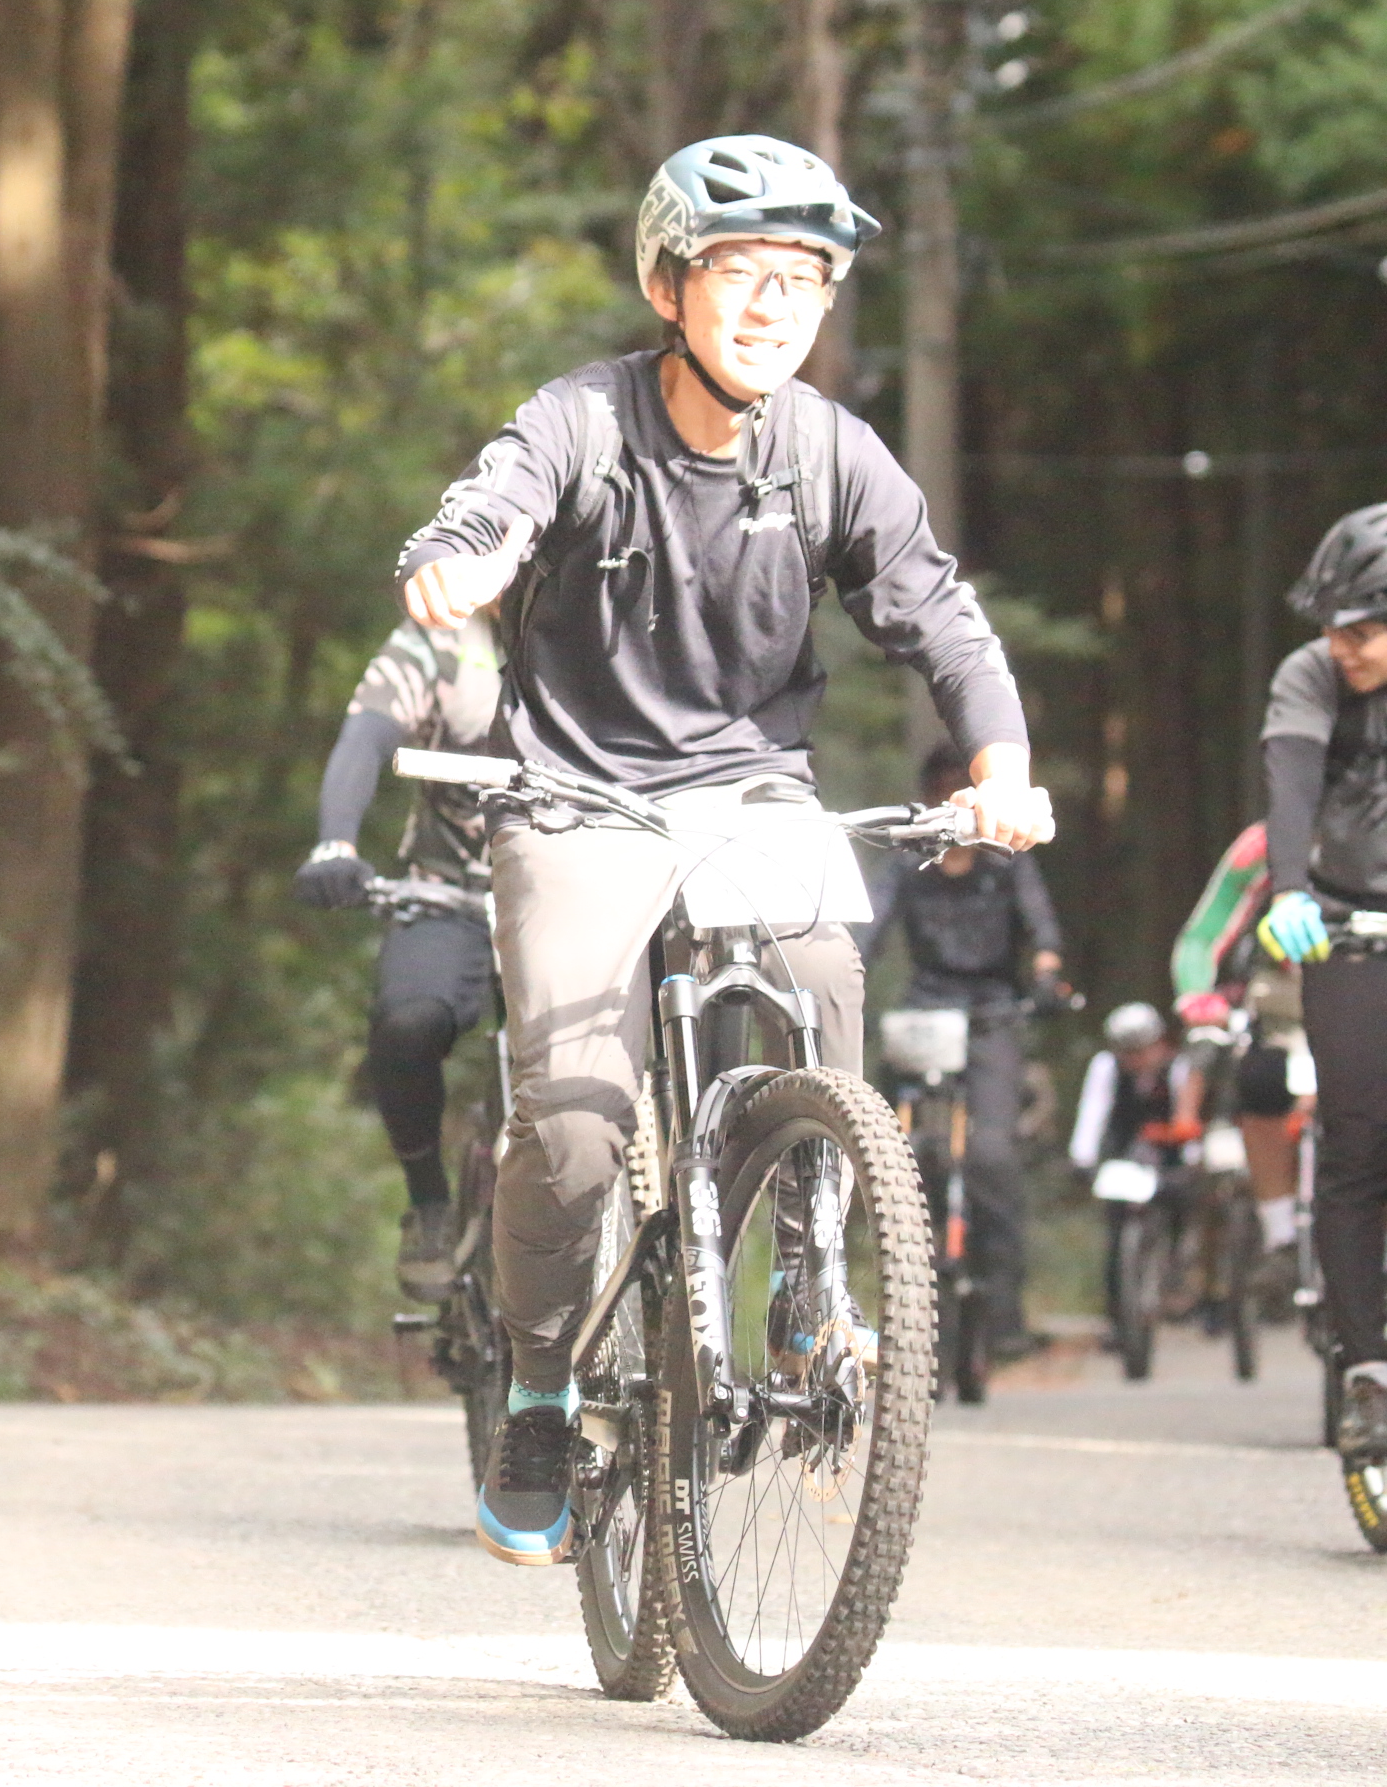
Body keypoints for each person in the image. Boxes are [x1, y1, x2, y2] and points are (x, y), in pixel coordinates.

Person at [395, 135, 1053, 1564]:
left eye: (802, 281)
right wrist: (465, 561)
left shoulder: (828, 451)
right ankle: (542, 1385)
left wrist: (1000, 765)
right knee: (573, 1121)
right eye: (742, 272)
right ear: (668, 284)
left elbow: (942, 617)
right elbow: (490, 506)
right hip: (576, 797)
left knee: (822, 978)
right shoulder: (583, 419)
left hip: (750, 792)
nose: (772, 306)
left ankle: (813, 1279)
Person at [292, 610, 503, 1301]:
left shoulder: (625, 617)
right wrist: (336, 841)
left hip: (587, 893)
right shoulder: (449, 639)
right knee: (407, 1024)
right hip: (451, 888)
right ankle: (430, 1203)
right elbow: (367, 733)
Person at [1251, 503, 1387, 1460]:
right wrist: (1290, 888)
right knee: (1355, 1138)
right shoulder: (1311, 676)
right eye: (1335, 629)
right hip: (1348, 923)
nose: (1346, 648)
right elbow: (1291, 784)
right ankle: (1368, 1369)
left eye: (1366, 630)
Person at [861, 743, 1066, 1360]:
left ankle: (1003, 1316)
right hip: (925, 1012)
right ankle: (904, 1290)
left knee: (992, 1158)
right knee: (895, 1154)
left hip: (991, 1015)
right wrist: (848, 979)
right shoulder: (906, 865)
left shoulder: (1007, 863)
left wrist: (1048, 975)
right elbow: (868, 934)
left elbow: (1042, 931)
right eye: (941, 788)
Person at [1168, 822, 1309, 1290]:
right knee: (1260, 1079)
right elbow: (1202, 936)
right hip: (1283, 1006)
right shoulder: (1261, 845)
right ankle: (1280, 1230)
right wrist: (1196, 994)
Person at [1068, 1001, 1202, 1334]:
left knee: (1182, 1205)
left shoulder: (1178, 1068)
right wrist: (1082, 1158)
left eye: (1141, 1050)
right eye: (1127, 1052)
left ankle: (1179, 1275)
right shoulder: (1106, 1067)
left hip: (1170, 1158)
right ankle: (1119, 1316)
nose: (1135, 1060)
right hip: (1124, 1157)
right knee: (1116, 1232)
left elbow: (1187, 1119)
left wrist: (1191, 1159)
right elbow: (1093, 1111)